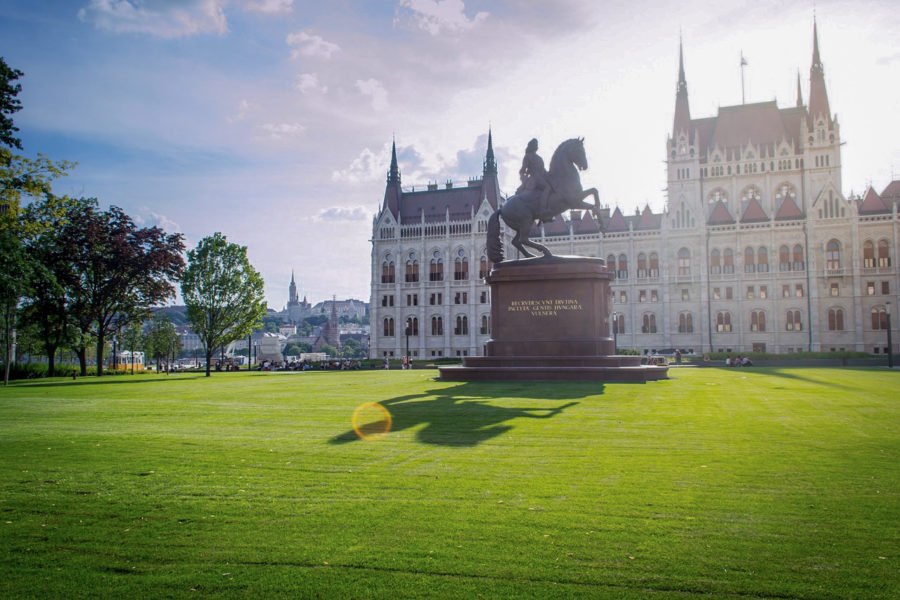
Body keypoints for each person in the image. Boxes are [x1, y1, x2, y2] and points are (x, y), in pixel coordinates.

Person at [517, 138, 554, 223]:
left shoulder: (539, 158)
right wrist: (524, 179)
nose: (537, 146)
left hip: (541, 177)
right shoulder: (527, 157)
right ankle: (543, 210)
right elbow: (522, 170)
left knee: (552, 187)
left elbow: (543, 170)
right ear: (532, 146)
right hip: (534, 177)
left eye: (537, 144)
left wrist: (549, 175)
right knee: (547, 188)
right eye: (535, 144)